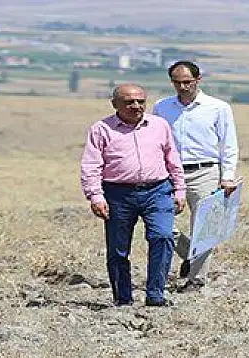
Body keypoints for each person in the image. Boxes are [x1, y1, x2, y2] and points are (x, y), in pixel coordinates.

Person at [80, 83, 186, 307]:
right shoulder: (101, 129)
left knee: (163, 237)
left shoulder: (159, 126)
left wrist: (179, 189)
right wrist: (96, 196)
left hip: (157, 190)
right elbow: (91, 165)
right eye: (129, 102)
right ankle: (123, 298)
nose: (136, 106)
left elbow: (172, 158)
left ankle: (156, 294)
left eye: (140, 101)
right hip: (118, 194)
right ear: (114, 104)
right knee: (118, 249)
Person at [153, 60, 239, 292]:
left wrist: (227, 176)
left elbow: (228, 144)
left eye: (187, 82)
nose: (182, 87)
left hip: (206, 171)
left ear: (198, 80)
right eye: (177, 83)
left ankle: (196, 279)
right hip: (170, 173)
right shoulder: (162, 107)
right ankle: (190, 253)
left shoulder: (218, 108)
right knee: (160, 223)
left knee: (203, 227)